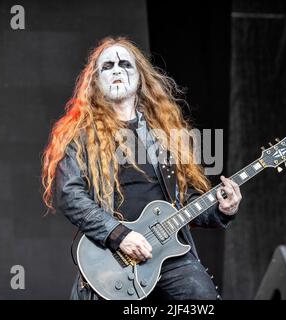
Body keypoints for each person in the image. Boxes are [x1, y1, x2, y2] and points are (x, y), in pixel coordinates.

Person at [41, 37, 242, 300]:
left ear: (139, 78)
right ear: (96, 81)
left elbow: (184, 201)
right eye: (108, 66)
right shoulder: (80, 135)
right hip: (112, 256)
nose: (116, 70)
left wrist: (221, 210)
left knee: (202, 297)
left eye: (125, 64)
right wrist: (118, 235)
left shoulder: (165, 134)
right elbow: (69, 194)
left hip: (170, 254)